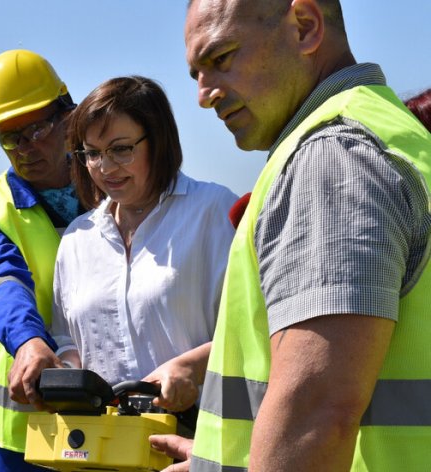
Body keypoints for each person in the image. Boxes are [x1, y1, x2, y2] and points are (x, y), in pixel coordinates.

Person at [150, 1, 431, 471]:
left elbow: (316, 416)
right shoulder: (389, 132)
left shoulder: (334, 157)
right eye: (195, 73)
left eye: (220, 58)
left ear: (305, 27)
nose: (203, 95)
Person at [51, 76, 237, 415]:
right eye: (92, 153)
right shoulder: (77, 239)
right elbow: (67, 339)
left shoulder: (215, 211)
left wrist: (191, 368)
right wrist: (65, 371)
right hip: (102, 444)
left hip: (200, 436)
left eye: (121, 149)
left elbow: (256, 327)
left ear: (159, 141)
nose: (105, 168)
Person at [0, 49, 81, 472]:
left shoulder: (116, 186)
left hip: (117, 417)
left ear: (69, 115)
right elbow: (1, 279)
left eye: (37, 128)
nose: (25, 148)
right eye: (9, 136)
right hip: (24, 439)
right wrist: (28, 340)